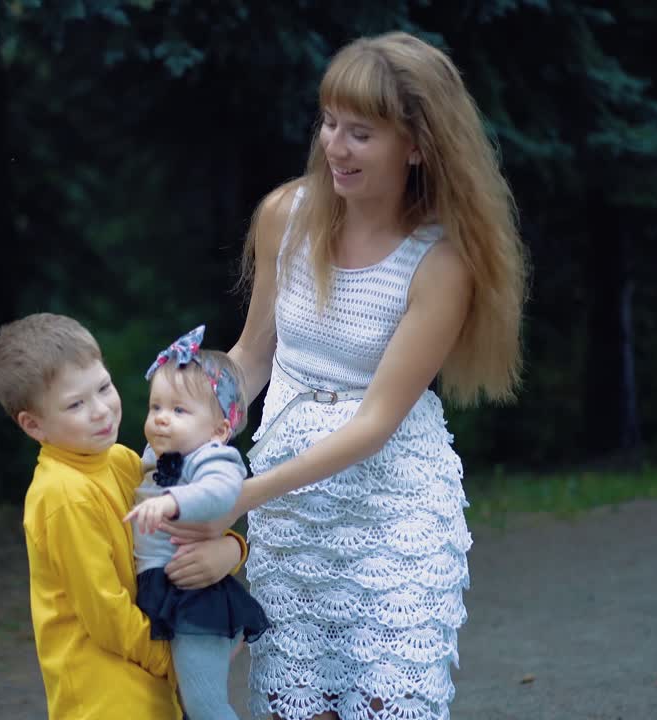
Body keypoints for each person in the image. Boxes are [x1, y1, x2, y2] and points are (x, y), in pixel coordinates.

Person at [163, 32, 527, 720]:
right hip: (294, 513)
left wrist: (242, 494)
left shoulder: (440, 262)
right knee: (303, 707)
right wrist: (181, 406)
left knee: (394, 702)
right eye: (329, 123)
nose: (335, 145)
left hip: (394, 506)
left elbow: (375, 425)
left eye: (361, 133)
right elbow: (252, 357)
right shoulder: (284, 217)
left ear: (416, 145)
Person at [0, 312, 250, 720]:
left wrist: (232, 549)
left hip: (148, 684)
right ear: (34, 425)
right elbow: (105, 612)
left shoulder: (122, 461)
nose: (101, 411)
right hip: (103, 695)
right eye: (76, 404)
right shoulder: (62, 494)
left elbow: (189, 522)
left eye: (103, 388)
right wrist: (174, 662)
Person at [123, 325, 271, 720]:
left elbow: (222, 493)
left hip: (194, 600)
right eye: (156, 407)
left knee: (204, 705)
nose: (162, 420)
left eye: (179, 410)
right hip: (164, 586)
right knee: (176, 701)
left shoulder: (213, 459)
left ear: (219, 430)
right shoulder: (155, 456)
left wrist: (174, 500)